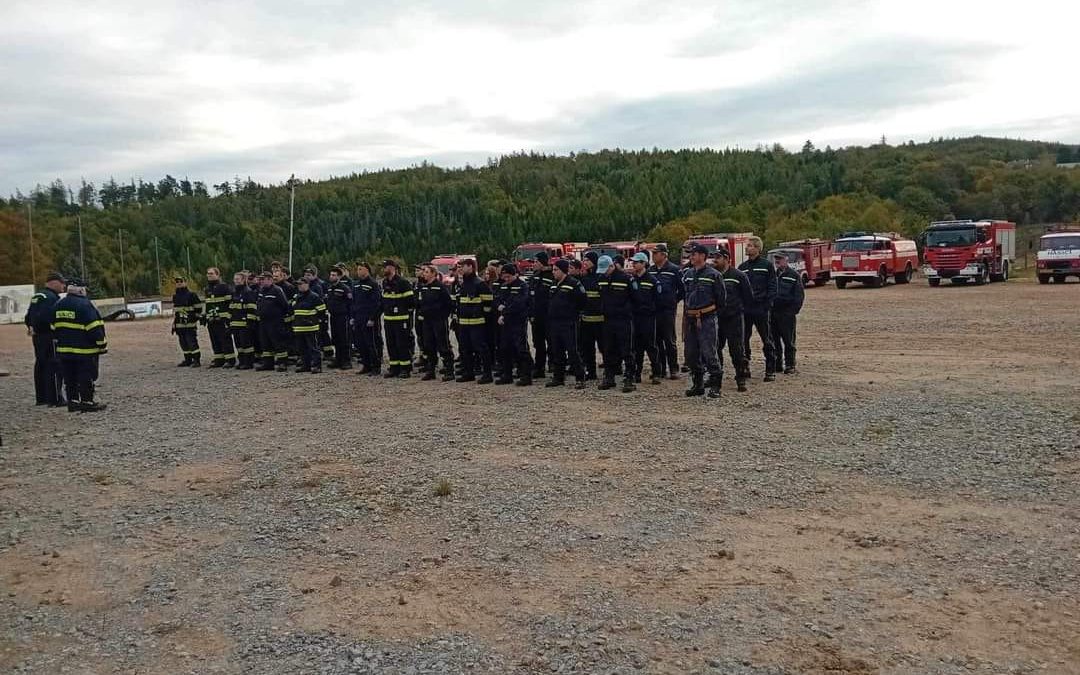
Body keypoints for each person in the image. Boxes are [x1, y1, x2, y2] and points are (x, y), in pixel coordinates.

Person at [51, 279, 107, 412]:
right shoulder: (85, 305)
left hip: (64, 350)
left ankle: (73, 402)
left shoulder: (59, 304)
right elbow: (94, 327)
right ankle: (87, 402)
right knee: (85, 376)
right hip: (84, 351)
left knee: (69, 378)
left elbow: (53, 327)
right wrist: (102, 344)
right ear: (81, 290)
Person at [681, 244, 726, 398]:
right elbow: (684, 296)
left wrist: (711, 315)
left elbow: (721, 299)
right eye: (690, 255)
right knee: (691, 354)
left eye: (693, 254)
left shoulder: (714, 275)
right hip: (691, 318)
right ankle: (698, 384)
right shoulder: (687, 274)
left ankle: (715, 385)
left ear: (702, 256)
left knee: (709, 352)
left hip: (707, 318)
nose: (691, 257)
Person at [737, 236, 778, 382]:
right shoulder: (742, 268)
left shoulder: (767, 266)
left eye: (749, 246)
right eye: (747, 246)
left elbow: (773, 287)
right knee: (743, 339)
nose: (747, 248)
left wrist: (767, 305)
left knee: (767, 339)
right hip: (746, 310)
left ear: (757, 248)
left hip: (761, 309)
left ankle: (770, 369)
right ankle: (745, 366)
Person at [713, 249, 752, 392]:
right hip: (717, 318)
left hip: (734, 318)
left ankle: (740, 379)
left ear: (727, 258)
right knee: (716, 349)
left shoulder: (738, 275)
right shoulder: (712, 275)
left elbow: (748, 297)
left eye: (718, 257)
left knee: (737, 350)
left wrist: (740, 312)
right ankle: (716, 378)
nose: (715, 260)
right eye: (714, 257)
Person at [24, 272, 66, 406]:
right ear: (53, 282)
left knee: (41, 365)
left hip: (38, 337)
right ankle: (55, 399)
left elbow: (28, 316)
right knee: (53, 365)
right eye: (62, 282)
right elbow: (49, 317)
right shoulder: (51, 298)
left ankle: (41, 398)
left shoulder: (38, 296)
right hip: (50, 336)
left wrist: (32, 327)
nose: (64, 286)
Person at [597, 255, 636, 393]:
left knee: (627, 350)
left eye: (605, 270)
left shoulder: (625, 279)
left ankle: (629, 378)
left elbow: (635, 298)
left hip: (623, 320)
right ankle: (609, 377)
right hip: (607, 320)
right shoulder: (601, 279)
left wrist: (627, 311)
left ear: (611, 266)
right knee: (608, 350)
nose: (603, 273)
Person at [546, 259, 588, 389]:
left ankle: (580, 378)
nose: (553, 272)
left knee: (572, 351)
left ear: (563, 270)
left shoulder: (574, 283)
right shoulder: (554, 284)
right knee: (557, 350)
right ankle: (558, 377)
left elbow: (582, 300)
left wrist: (572, 312)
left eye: (556, 270)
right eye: (553, 270)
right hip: (555, 322)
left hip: (569, 322)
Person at [454, 259, 494, 384]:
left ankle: (487, 374)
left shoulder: (479, 284)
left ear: (470, 267)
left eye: (463, 266)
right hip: (464, 323)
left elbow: (488, 303)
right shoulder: (464, 284)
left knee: (481, 349)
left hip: (477, 323)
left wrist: (482, 317)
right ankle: (468, 373)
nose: (460, 269)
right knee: (465, 349)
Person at [649, 244, 684, 379]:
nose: (653, 255)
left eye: (656, 253)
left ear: (664, 255)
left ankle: (673, 368)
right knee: (656, 340)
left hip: (667, 310)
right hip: (654, 310)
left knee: (669, 340)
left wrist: (673, 301)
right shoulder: (650, 270)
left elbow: (682, 289)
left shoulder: (674, 270)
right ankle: (661, 369)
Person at [495, 264, 534, 386]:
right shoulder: (504, 286)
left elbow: (519, 304)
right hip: (505, 322)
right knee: (505, 348)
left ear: (515, 274)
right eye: (504, 277)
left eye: (508, 277)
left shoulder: (522, 286)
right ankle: (507, 375)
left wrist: (504, 312)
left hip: (518, 321)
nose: (506, 279)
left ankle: (525, 376)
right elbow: (497, 299)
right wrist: (498, 307)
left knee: (521, 349)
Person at [416, 264, 455, 381]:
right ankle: (431, 370)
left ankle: (449, 371)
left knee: (443, 346)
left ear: (433, 274)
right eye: (424, 272)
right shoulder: (423, 287)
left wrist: (443, 315)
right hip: (427, 321)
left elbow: (449, 304)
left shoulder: (440, 287)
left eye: (427, 272)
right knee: (429, 346)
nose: (424, 274)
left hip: (438, 321)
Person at [629, 252, 663, 385]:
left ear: (644, 263)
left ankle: (656, 373)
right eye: (633, 262)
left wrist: (651, 310)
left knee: (651, 345)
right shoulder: (631, 280)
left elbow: (658, 300)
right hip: (635, 317)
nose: (634, 264)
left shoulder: (652, 280)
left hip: (648, 318)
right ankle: (636, 373)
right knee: (636, 347)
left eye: (636, 262)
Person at [770, 251, 805, 375]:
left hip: (786, 314)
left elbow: (799, 296)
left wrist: (792, 312)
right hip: (773, 314)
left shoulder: (794, 275)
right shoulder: (772, 275)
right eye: (776, 259)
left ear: (786, 260)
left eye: (780, 259)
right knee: (774, 341)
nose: (777, 261)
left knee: (789, 341)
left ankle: (790, 365)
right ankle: (777, 364)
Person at [380, 259, 415, 378]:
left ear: (392, 268)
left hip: (401, 319)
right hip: (389, 319)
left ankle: (405, 368)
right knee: (391, 344)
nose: (384, 269)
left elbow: (410, 302)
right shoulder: (385, 282)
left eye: (386, 267)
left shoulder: (403, 283)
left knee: (402, 344)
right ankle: (394, 367)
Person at [351, 262, 383, 376]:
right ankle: (366, 365)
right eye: (358, 269)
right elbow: (353, 302)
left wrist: (373, 318)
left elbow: (377, 303)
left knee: (372, 343)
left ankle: (376, 366)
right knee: (360, 343)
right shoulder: (356, 284)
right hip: (358, 318)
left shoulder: (373, 284)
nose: (359, 271)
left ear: (367, 270)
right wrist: (353, 317)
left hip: (369, 319)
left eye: (361, 269)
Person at [256, 271, 291, 371]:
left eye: (263, 279)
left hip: (275, 321)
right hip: (263, 321)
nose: (261, 281)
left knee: (278, 342)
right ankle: (268, 363)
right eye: (261, 279)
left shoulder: (277, 290)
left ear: (270, 280)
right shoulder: (261, 290)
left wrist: (278, 316)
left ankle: (282, 363)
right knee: (265, 343)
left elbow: (285, 305)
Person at [291, 276, 327, 373]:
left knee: (313, 348)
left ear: (307, 284)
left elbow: (322, 310)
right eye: (298, 285)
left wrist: (315, 321)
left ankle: (317, 366)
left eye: (301, 284)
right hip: (299, 327)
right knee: (302, 349)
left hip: (311, 327)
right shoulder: (296, 296)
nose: (299, 286)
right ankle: (305, 365)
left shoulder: (314, 296)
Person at [577, 252, 603, 380]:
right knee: (587, 348)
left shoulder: (601, 277)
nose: (584, 262)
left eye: (587, 260)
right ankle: (591, 371)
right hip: (586, 320)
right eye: (584, 260)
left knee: (605, 347)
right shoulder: (583, 278)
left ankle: (611, 371)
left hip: (601, 320)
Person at [203, 267, 235, 368]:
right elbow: (208, 304)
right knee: (214, 340)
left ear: (217, 275)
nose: (209, 275)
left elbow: (230, 303)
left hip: (222, 320)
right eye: (208, 274)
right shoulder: (207, 289)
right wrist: (205, 316)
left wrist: (228, 318)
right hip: (211, 320)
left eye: (211, 274)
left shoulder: (224, 287)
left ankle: (230, 359)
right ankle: (219, 359)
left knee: (225, 339)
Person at [529, 251, 554, 378]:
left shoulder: (552, 277)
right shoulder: (534, 276)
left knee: (552, 343)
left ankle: (553, 365)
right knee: (538, 344)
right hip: (536, 317)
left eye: (536, 262)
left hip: (548, 317)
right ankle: (539, 368)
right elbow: (531, 297)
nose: (534, 264)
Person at [227, 271, 257, 369]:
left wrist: (250, 322)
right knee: (238, 344)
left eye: (238, 279)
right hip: (235, 323)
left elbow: (252, 308)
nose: (236, 281)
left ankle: (249, 362)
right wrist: (229, 321)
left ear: (243, 280)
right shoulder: (234, 292)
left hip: (245, 324)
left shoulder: (248, 292)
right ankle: (241, 361)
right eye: (235, 279)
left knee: (247, 345)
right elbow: (231, 308)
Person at [171, 276, 203, 367]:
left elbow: (198, 309)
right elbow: (176, 312)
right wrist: (174, 324)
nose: (179, 283)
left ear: (186, 282)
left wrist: (193, 318)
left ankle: (196, 360)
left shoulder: (192, 295)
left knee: (192, 342)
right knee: (183, 343)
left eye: (181, 281)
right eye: (177, 282)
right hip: (180, 325)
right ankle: (187, 359)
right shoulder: (175, 296)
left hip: (190, 324)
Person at [325, 265, 353, 369]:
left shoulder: (344, 288)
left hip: (343, 317)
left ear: (339, 277)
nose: (331, 277)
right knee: (336, 338)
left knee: (344, 339)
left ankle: (346, 361)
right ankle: (338, 359)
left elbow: (350, 303)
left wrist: (350, 317)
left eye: (334, 275)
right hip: (333, 316)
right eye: (331, 275)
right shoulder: (330, 288)